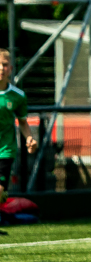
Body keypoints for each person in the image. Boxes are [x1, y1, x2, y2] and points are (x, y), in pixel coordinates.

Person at [0, 49, 37, 203]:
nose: (1, 68)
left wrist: (29, 138)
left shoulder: (18, 96)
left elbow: (22, 122)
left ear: (10, 68)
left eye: (4, 64)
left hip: (5, 151)